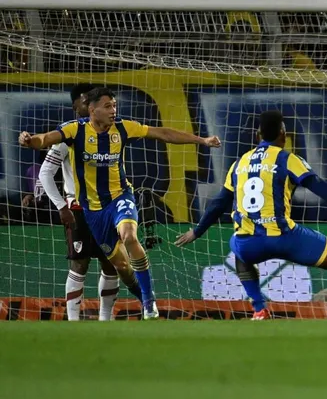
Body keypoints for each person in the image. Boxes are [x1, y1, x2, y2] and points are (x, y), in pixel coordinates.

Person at [20, 86, 222, 320]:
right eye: (107, 106)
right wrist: (30, 140)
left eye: (114, 105)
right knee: (122, 267)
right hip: (92, 210)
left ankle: (148, 301)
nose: (113, 110)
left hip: (120, 197)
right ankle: (139, 296)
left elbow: (162, 133)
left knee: (129, 236)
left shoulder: (123, 127)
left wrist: (202, 140)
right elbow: (46, 139)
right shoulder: (74, 130)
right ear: (92, 110)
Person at [175, 110, 327, 320]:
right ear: (283, 134)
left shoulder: (239, 163)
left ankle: (259, 309)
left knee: (239, 252)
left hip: (249, 244)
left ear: (258, 135)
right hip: (284, 237)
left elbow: (218, 203)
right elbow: (322, 188)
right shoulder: (287, 159)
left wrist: (197, 231)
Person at [37, 83, 142, 321]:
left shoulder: (113, 132)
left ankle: (106, 320)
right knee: (80, 263)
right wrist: (61, 206)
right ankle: (74, 321)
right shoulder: (68, 135)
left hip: (107, 206)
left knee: (111, 263)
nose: (89, 106)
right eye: (85, 102)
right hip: (78, 208)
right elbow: (45, 173)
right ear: (77, 106)